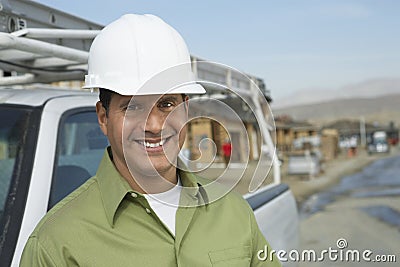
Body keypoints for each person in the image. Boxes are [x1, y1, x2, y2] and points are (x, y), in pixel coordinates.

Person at [20, 14, 281, 266]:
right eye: (132, 107)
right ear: (103, 118)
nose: (155, 125)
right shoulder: (55, 246)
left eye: (167, 104)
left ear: (186, 110)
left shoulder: (233, 212)